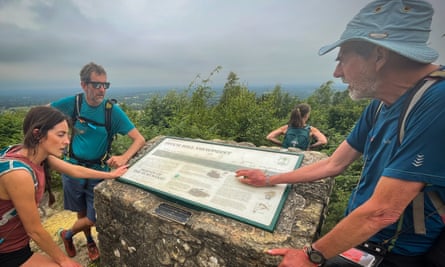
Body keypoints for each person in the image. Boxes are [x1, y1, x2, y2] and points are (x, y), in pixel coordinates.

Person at [235, 1, 445, 266]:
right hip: (364, 238)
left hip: (398, 252)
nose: (337, 72)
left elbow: (382, 212)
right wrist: (269, 179)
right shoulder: (381, 105)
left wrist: (311, 256)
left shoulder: (437, 103)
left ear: (379, 56)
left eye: (342, 59)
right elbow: (335, 163)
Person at [0, 106, 128, 267]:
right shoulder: (19, 174)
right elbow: (35, 230)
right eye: (61, 135)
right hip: (7, 251)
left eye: (67, 134)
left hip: (16, 244)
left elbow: (74, 170)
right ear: (37, 134)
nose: (67, 141)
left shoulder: (31, 153)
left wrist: (111, 175)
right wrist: (64, 260)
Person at [50, 62, 145, 261]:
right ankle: (90, 241)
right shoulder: (74, 104)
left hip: (98, 171)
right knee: (81, 212)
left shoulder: (111, 111)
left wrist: (123, 157)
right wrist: (53, 142)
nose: (102, 89)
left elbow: (139, 139)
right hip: (72, 168)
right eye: (96, 85)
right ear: (84, 85)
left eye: (105, 85)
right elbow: (42, 116)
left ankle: (67, 234)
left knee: (92, 217)